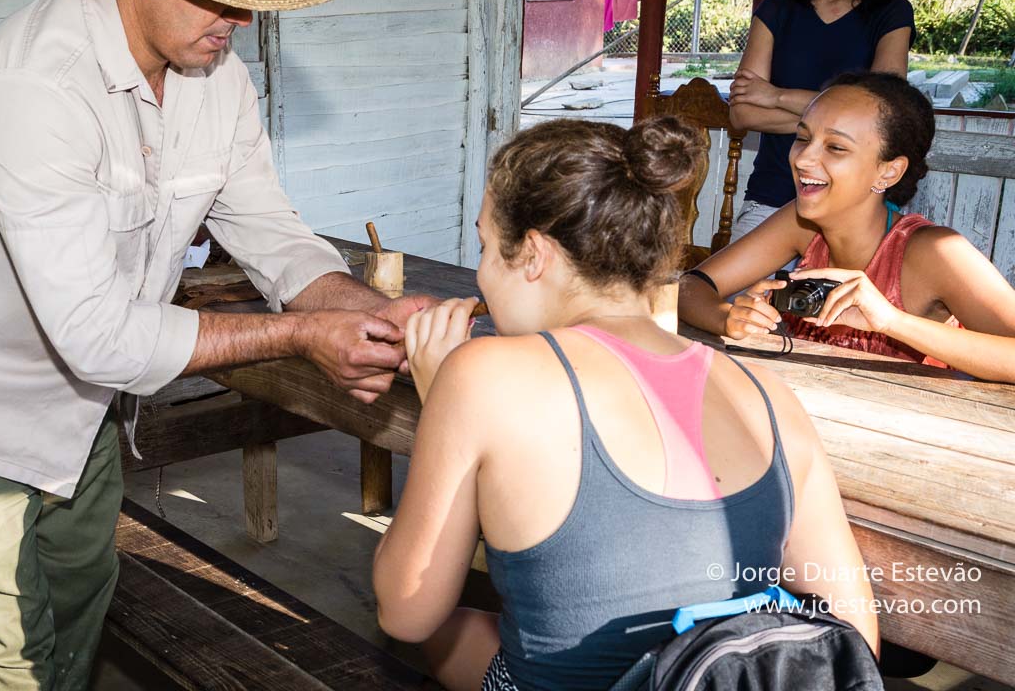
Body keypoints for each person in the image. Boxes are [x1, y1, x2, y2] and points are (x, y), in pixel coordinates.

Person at [0, 0, 433, 687]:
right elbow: (97, 333)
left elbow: (267, 229)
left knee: (75, 612)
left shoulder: (215, 76)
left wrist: (364, 312)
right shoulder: (32, 87)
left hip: (82, 408)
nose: (241, 18)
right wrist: (301, 335)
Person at [372, 117, 879, 691]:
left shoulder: (480, 375)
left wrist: (440, 405)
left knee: (433, 632)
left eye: (488, 247)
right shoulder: (768, 394)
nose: (484, 276)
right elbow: (853, 635)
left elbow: (406, 610)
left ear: (534, 254)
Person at [680, 72, 1015, 382]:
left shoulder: (935, 251)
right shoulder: (801, 223)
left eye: (836, 147)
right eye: (802, 138)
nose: (802, 159)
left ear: (889, 172)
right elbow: (689, 287)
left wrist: (890, 321)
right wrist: (727, 318)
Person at [729, 0, 914, 239]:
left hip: (856, 208)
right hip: (771, 199)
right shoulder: (775, 10)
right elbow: (742, 114)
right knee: (733, 289)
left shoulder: (892, 13)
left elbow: (883, 110)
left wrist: (776, 97)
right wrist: (842, 129)